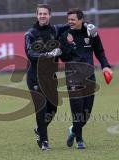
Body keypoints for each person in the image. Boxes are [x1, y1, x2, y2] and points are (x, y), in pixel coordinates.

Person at [59, 8, 113, 149]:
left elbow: (99, 51)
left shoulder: (91, 32)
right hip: (73, 75)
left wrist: (105, 66)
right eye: (68, 19)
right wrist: (69, 45)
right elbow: (63, 58)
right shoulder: (65, 35)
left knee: (86, 114)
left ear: (80, 20)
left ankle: (73, 130)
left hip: (89, 76)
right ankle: (80, 139)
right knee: (77, 110)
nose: (70, 22)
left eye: (73, 19)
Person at [24, 4, 69, 150]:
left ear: (50, 15)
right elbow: (30, 53)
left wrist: (88, 25)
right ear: (36, 15)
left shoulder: (55, 30)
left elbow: (73, 23)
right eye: (40, 14)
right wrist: (47, 55)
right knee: (41, 108)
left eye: (45, 14)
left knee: (53, 108)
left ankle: (39, 129)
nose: (42, 16)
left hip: (50, 76)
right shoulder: (30, 34)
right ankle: (44, 142)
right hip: (35, 76)